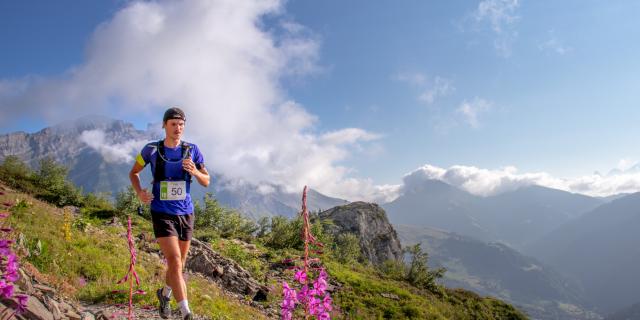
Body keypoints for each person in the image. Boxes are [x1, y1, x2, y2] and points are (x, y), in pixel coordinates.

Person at [129, 107, 210, 320]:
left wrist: (194, 171)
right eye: (173, 124)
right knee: (174, 261)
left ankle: (164, 295)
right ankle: (186, 312)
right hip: (161, 211)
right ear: (164, 125)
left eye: (181, 124)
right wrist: (140, 193)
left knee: (179, 264)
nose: (178, 128)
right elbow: (134, 172)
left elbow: (207, 181)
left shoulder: (192, 149)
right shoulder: (151, 149)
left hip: (186, 212)